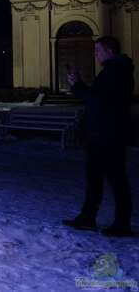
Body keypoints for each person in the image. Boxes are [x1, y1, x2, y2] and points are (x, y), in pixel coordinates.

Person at [63, 36, 134, 237]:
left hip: (108, 135)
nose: (95, 54)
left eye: (98, 50)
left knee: (116, 179)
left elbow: (99, 101)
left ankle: (121, 223)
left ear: (110, 50)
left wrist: (78, 86)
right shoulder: (113, 70)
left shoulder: (116, 71)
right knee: (96, 178)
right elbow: (99, 99)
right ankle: (88, 218)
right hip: (102, 133)